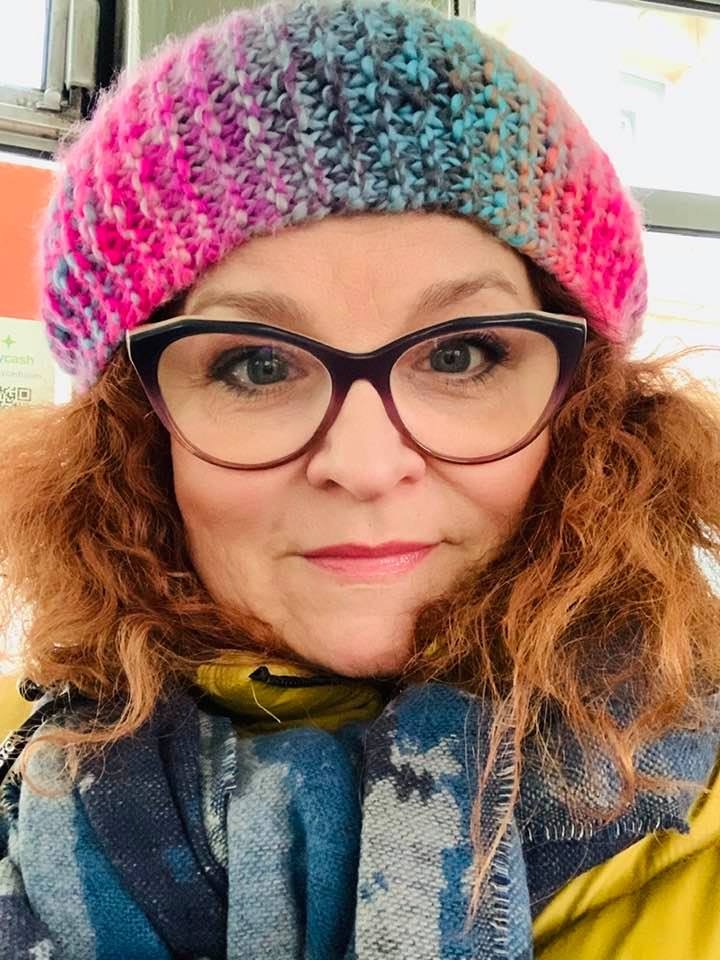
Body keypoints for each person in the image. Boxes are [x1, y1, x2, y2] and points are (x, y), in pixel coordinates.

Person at [1, 0, 719, 955]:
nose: (367, 466)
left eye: (461, 355)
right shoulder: (20, 757)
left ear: (588, 407)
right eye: (257, 365)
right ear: (133, 434)